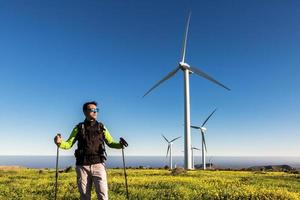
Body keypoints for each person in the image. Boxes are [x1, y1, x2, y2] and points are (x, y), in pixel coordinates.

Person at [54, 101, 127, 200]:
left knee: (103, 195)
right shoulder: (78, 128)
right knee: (84, 195)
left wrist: (120, 145)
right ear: (85, 112)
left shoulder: (102, 127)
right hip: (82, 165)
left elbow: (110, 143)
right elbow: (68, 144)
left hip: (99, 164)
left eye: (96, 110)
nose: (95, 112)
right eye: (92, 110)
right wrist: (59, 143)